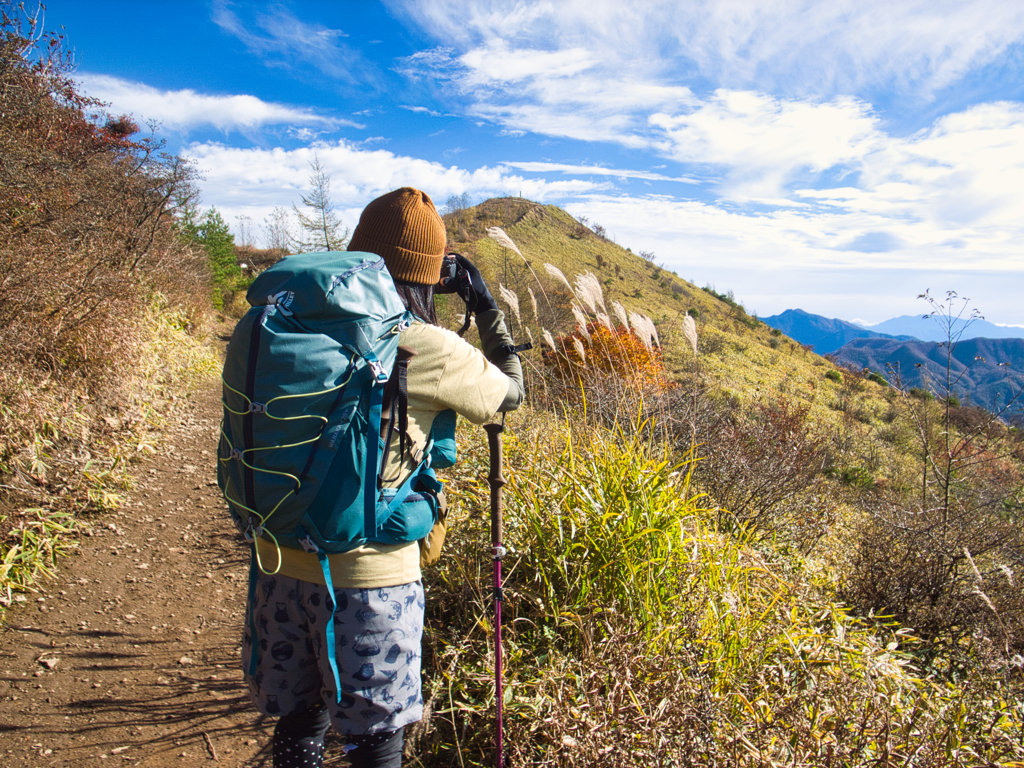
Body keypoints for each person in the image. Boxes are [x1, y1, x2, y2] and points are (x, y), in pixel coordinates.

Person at [240, 187, 525, 768]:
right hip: (371, 586)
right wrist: (487, 307)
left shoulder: (279, 323)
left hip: (275, 565)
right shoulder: (428, 346)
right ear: (430, 275)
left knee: (300, 722)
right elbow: (511, 391)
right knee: (375, 747)